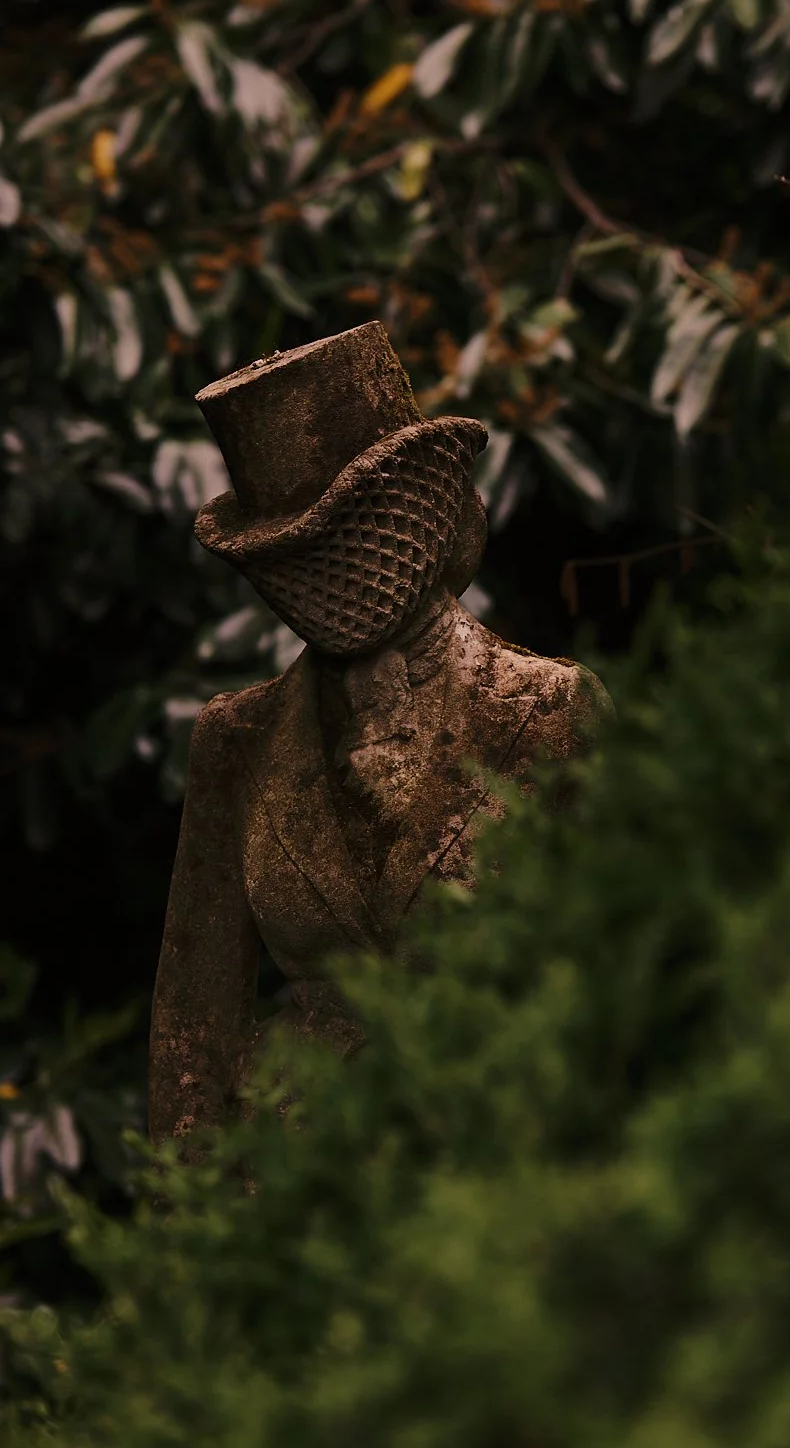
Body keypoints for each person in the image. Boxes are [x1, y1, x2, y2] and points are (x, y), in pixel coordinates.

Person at [148, 320, 609, 1145]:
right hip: (293, 1178)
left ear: (420, 519)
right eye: (288, 555)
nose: (320, 579)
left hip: (497, 1162)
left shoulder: (549, 710)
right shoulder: (239, 738)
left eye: (341, 536)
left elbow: (624, 973)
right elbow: (194, 1022)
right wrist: (184, 1236)